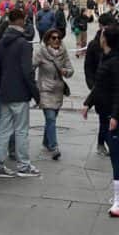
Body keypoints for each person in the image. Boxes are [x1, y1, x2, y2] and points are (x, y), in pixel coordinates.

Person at [83, 24, 119, 217]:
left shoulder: (117, 63)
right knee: (115, 150)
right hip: (106, 112)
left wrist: (114, 115)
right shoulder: (106, 58)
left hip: (118, 114)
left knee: (115, 153)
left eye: (102, 34)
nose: (99, 36)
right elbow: (99, 86)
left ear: (106, 40)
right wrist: (88, 103)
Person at [0, 8, 41, 179]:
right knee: (21, 130)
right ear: (20, 20)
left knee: (4, 129)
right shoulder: (23, 44)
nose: (25, 22)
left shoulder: (2, 41)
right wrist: (35, 94)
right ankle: (23, 165)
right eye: (24, 19)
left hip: (3, 91)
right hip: (19, 92)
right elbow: (27, 72)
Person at [33, 28, 74, 161]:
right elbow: (31, 66)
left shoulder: (63, 51)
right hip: (45, 89)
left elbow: (71, 69)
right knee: (50, 118)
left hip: (58, 90)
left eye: (58, 38)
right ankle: (53, 146)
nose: (57, 40)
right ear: (47, 39)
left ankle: (46, 141)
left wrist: (65, 72)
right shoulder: (41, 52)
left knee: (52, 118)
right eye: (53, 38)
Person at [85, 13, 118, 156]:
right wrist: (92, 86)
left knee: (114, 117)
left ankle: (110, 142)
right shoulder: (94, 44)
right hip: (99, 88)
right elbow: (88, 68)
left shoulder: (116, 43)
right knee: (104, 118)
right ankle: (101, 143)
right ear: (101, 26)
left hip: (113, 87)